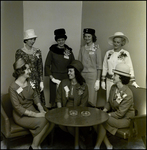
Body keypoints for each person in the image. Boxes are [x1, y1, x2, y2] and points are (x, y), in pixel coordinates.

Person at [9, 58, 55, 149]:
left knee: (51, 120)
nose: (30, 71)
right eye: (27, 69)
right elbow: (18, 108)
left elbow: (35, 96)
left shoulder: (29, 82)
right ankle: (35, 145)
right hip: (21, 115)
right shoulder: (12, 87)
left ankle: (35, 144)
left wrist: (41, 109)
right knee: (44, 120)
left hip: (32, 109)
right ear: (21, 71)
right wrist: (37, 115)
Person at [94, 63, 135, 149]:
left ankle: (97, 146)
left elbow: (120, 114)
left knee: (101, 120)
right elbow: (109, 102)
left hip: (125, 119)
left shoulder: (128, 94)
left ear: (120, 77)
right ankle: (108, 145)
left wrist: (107, 115)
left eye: (115, 74)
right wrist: (104, 110)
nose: (113, 76)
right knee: (97, 121)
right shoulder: (113, 87)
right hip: (115, 116)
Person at [56, 60, 89, 149]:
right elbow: (58, 98)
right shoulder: (64, 82)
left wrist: (74, 114)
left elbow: (83, 104)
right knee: (61, 124)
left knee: (70, 125)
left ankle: (78, 141)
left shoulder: (83, 86)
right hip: (64, 110)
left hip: (77, 112)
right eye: (68, 71)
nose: (68, 73)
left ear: (76, 72)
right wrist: (60, 110)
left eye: (71, 71)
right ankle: (78, 138)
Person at [101, 32, 139, 101]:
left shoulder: (125, 53)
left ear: (122, 43)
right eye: (114, 42)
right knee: (109, 99)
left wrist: (133, 81)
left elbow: (130, 67)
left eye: (118, 42)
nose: (115, 44)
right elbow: (105, 66)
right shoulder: (108, 53)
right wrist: (103, 80)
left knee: (118, 99)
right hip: (109, 80)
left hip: (120, 81)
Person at [45, 28, 75, 108]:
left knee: (65, 96)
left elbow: (73, 65)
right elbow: (47, 65)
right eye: (59, 40)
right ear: (56, 41)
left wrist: (71, 77)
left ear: (65, 40)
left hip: (66, 77)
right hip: (54, 78)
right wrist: (52, 78)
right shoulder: (52, 51)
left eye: (62, 40)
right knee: (55, 98)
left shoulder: (69, 51)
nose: (61, 42)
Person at [15, 29, 45, 105]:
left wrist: (41, 81)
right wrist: (21, 82)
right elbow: (18, 68)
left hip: (36, 79)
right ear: (26, 40)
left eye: (34, 39)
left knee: (38, 100)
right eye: (30, 39)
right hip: (26, 79)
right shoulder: (19, 52)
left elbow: (40, 67)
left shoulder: (37, 51)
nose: (33, 41)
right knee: (28, 99)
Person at [78, 28, 102, 107]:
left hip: (92, 76)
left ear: (92, 37)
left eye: (89, 36)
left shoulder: (97, 48)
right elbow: (79, 64)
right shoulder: (82, 49)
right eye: (85, 36)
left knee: (91, 98)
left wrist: (98, 80)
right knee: (82, 97)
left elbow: (99, 65)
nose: (87, 38)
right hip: (83, 75)